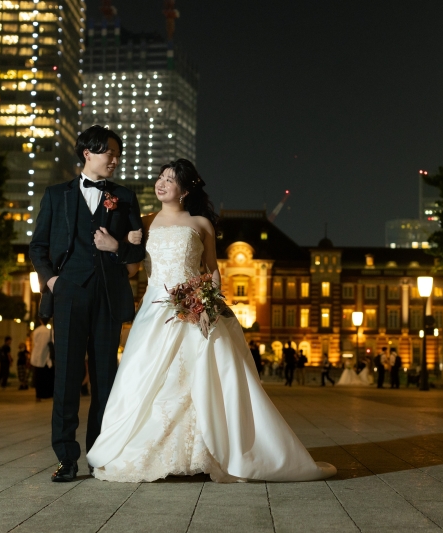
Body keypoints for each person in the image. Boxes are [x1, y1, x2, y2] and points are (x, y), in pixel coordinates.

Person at [86, 159, 335, 483]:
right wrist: (115, 246)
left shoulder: (201, 223)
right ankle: (151, 453)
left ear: (185, 190)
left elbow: (212, 269)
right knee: (147, 379)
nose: (161, 183)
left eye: (170, 179)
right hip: (155, 311)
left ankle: (204, 453)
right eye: (161, 177)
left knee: (203, 380)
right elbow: (132, 269)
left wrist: (209, 303)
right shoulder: (143, 222)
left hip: (195, 310)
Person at [30, 126, 146, 482]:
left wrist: (117, 247)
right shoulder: (56, 195)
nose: (115, 159)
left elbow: (138, 252)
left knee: (105, 379)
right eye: (109, 153)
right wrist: (52, 281)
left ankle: (100, 453)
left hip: (109, 294)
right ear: (87, 154)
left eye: (118, 155)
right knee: (66, 378)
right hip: (69, 293)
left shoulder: (124, 196)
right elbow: (37, 247)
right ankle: (66, 457)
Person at [31, 318, 55, 402]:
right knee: (48, 377)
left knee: (38, 377)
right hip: (47, 357)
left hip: (37, 357)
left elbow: (34, 342)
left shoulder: (36, 331)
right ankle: (48, 394)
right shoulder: (50, 331)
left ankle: (38, 395)